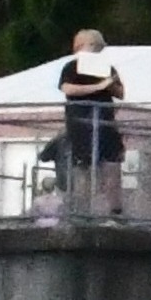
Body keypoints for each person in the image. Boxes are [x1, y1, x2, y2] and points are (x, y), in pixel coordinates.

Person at [53, 30, 125, 213]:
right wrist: (98, 87)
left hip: (105, 125)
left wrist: (110, 84)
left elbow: (120, 93)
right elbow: (68, 88)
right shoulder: (72, 67)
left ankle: (114, 212)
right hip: (81, 126)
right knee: (83, 168)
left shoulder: (106, 68)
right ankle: (82, 212)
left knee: (112, 166)